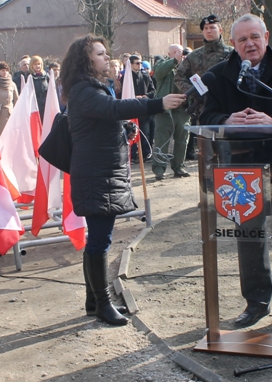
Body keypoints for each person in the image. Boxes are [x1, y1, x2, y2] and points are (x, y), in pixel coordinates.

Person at [61, 34, 186, 325]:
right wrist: (159, 103)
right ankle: (103, 304)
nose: (107, 57)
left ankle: (93, 301)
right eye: (100, 53)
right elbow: (113, 109)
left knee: (98, 238)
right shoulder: (84, 89)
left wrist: (123, 129)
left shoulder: (90, 87)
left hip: (100, 171)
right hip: (96, 174)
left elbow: (105, 119)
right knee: (100, 240)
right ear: (85, 60)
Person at [199, 14, 272, 331]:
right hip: (240, 171)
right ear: (233, 44)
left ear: (266, 37)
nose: (249, 44)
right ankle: (256, 303)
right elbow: (205, 115)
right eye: (242, 39)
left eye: (254, 37)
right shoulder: (218, 75)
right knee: (249, 238)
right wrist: (226, 121)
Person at [175, 14, 233, 159]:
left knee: (227, 150)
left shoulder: (233, 54)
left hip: (228, 109)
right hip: (204, 110)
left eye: (212, 27)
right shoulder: (194, 56)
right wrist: (194, 92)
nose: (209, 31)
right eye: (205, 28)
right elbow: (179, 76)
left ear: (220, 30)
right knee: (207, 153)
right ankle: (208, 175)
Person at [150, 44, 190, 180]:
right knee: (162, 139)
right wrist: (174, 61)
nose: (180, 53)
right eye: (176, 51)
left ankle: (179, 167)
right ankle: (159, 169)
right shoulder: (162, 64)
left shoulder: (187, 66)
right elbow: (158, 73)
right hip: (166, 110)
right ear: (169, 54)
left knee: (182, 140)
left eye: (181, 51)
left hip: (183, 109)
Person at [127, 54, 156, 162]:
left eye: (140, 63)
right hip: (132, 108)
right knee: (132, 132)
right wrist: (134, 97)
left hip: (144, 107)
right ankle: (133, 155)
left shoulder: (145, 76)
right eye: (137, 63)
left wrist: (146, 96)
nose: (140, 65)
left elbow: (153, 91)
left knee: (146, 132)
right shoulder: (127, 77)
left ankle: (146, 154)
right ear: (131, 64)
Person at [0, 62, 18, 137]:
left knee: (10, 137)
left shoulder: (12, 84)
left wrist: (17, 113)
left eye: (6, 70)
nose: (5, 72)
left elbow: (17, 100)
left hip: (10, 114)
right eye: (2, 70)